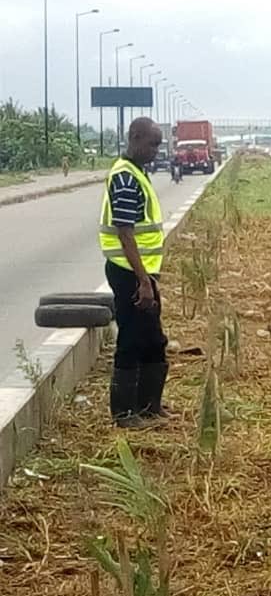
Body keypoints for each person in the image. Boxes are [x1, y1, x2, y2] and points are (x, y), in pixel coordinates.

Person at [99, 117, 171, 429]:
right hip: (129, 272)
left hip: (143, 272)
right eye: (152, 143)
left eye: (159, 144)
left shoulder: (137, 172)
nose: (156, 150)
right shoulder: (126, 178)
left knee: (154, 339)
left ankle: (149, 407)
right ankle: (125, 414)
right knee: (131, 339)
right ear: (135, 137)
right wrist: (143, 280)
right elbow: (125, 232)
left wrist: (150, 279)